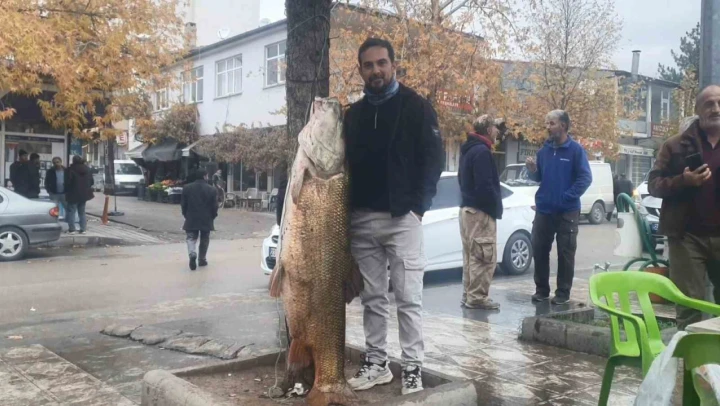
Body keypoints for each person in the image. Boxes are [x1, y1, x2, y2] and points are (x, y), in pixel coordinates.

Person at [344, 38, 444, 395]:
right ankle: (377, 363)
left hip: (402, 218)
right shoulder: (353, 115)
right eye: (369, 65)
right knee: (372, 298)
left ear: (393, 65)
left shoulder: (416, 107)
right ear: (360, 70)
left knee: (408, 296)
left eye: (382, 63)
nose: (376, 70)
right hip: (362, 220)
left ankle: (412, 367)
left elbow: (433, 159)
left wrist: (418, 208)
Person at [648, 84, 720, 330]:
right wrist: (683, 181)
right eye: (709, 104)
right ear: (697, 110)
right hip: (687, 237)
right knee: (689, 307)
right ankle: (690, 355)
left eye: (719, 103)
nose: (716, 109)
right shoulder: (675, 145)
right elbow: (653, 185)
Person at [526, 110, 592, 305]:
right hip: (544, 210)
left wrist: (567, 197)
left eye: (552, 123)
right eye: (547, 123)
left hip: (567, 211)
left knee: (565, 253)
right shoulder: (543, 151)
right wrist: (532, 171)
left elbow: (585, 178)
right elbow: (539, 177)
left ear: (563, 125)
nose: (548, 127)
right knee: (539, 249)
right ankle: (541, 290)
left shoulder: (576, 150)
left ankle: (563, 293)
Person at [458, 114, 503, 310]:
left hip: (468, 210)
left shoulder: (468, 149)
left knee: (471, 256)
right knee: (483, 257)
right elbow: (485, 186)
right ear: (488, 129)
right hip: (480, 211)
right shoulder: (482, 152)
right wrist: (493, 207)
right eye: (495, 127)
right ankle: (476, 298)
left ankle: (468, 295)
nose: (498, 131)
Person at [181, 168, 218, 271]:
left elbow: (183, 204)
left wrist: (185, 214)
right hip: (206, 218)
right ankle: (202, 259)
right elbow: (214, 206)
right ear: (205, 176)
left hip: (191, 217)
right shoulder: (212, 189)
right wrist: (213, 216)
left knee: (191, 238)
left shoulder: (187, 188)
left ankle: (192, 253)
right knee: (205, 238)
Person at [66, 156, 94, 234]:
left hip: (73, 194)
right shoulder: (87, 169)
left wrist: (66, 190)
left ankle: (72, 229)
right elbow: (92, 181)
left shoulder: (70, 169)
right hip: (84, 194)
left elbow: (68, 182)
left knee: (71, 211)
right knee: (82, 212)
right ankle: (83, 229)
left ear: (73, 161)